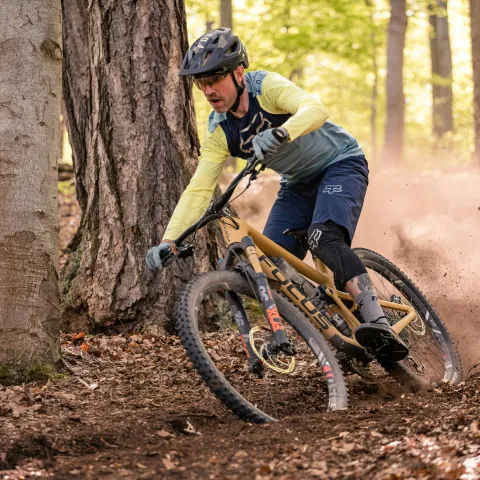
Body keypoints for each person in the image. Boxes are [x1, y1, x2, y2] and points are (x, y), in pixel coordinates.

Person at [146, 28, 407, 361]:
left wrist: (282, 131)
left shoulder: (264, 87)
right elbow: (198, 187)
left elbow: (315, 110)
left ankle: (379, 322)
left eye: (215, 78)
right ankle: (338, 329)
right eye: (201, 82)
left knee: (324, 237)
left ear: (238, 72)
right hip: (297, 182)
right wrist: (171, 239)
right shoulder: (220, 130)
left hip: (340, 163)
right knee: (268, 267)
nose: (209, 89)